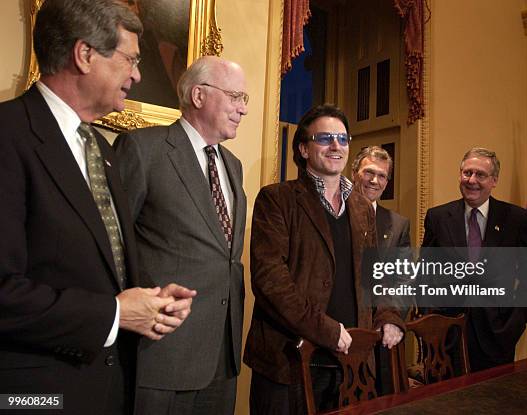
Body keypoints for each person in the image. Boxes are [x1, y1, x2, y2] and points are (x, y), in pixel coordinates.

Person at [0, 1, 195, 414]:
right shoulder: (8, 136)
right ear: (85, 54)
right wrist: (115, 313)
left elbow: (92, 264)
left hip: (106, 388)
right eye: (130, 59)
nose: (138, 75)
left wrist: (149, 303)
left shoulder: (100, 151)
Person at [244, 104, 404, 414]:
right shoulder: (276, 199)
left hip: (351, 363)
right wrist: (329, 332)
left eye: (343, 139)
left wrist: (388, 316)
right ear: (303, 148)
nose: (336, 146)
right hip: (289, 362)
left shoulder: (360, 206)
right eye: (325, 138)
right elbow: (270, 282)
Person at [113, 55, 248, 415]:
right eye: (235, 96)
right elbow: (113, 246)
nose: (243, 109)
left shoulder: (233, 166)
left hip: (222, 353)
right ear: (199, 96)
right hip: (163, 353)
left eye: (245, 99)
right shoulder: (143, 149)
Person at [421, 147, 527, 371]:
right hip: (446, 337)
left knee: (493, 403)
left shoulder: (517, 219)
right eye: (467, 173)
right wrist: (429, 318)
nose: (471, 180)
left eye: (480, 175)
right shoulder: (437, 217)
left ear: (494, 180)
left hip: (497, 335)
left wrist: (514, 326)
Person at [351, 145, 411, 394]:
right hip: (344, 336)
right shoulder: (335, 214)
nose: (375, 181)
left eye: (383, 175)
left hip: (383, 339)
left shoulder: (398, 224)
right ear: (354, 172)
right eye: (369, 172)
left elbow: (404, 280)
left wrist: (393, 320)